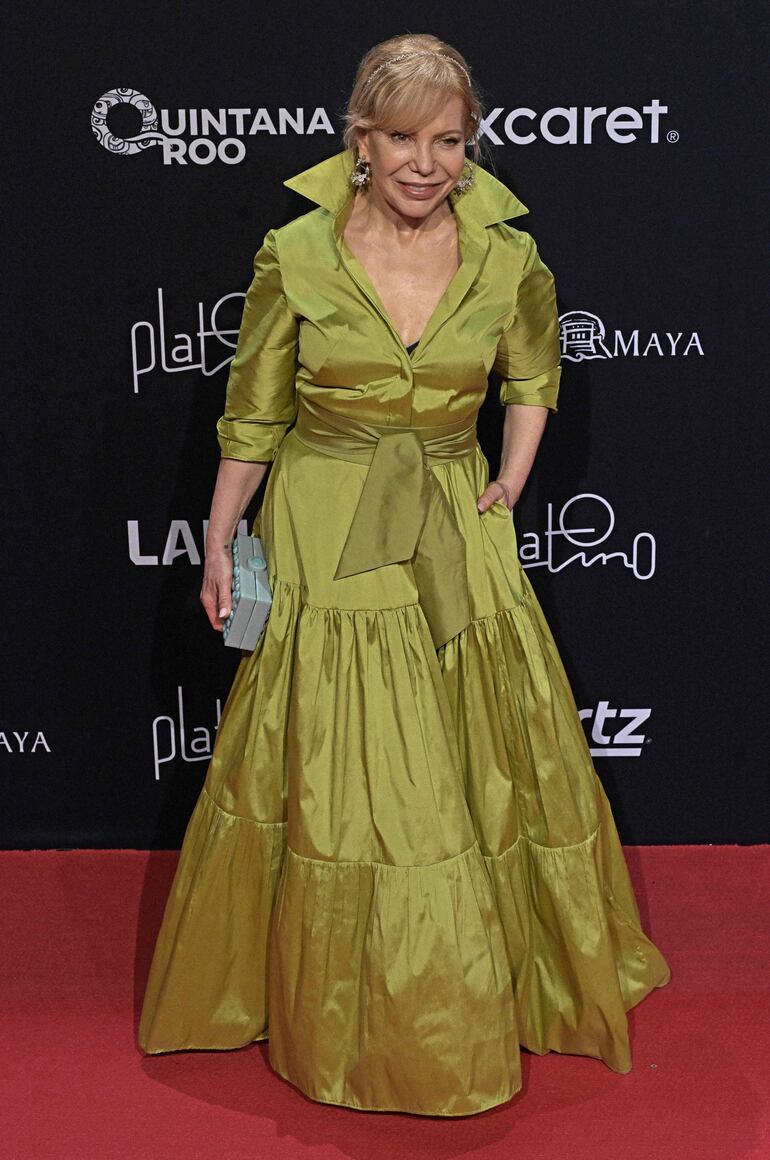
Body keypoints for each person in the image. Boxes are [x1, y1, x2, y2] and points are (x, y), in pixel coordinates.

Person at [138, 32, 672, 1118]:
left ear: (467, 148)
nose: (425, 162)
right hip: (328, 523)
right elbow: (251, 414)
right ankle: (372, 1012)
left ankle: (488, 974)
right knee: (362, 773)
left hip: (453, 515)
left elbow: (530, 370)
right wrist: (215, 538)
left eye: (447, 140)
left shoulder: (506, 257)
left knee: (476, 749)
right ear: (360, 140)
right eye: (401, 138)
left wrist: (511, 479)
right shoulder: (294, 254)